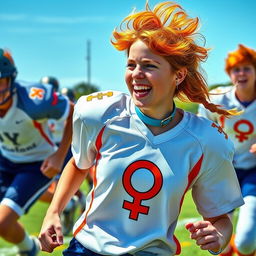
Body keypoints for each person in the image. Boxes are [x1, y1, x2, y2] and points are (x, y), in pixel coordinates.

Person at [38, 2, 244, 256]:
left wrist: (218, 236)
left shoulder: (206, 141)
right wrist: (53, 212)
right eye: (131, 64)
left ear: (177, 76)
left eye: (149, 66)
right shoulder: (100, 114)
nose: (136, 74)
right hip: (89, 248)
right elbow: (79, 164)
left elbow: (220, 219)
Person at [0, 48, 73, 256]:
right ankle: (29, 248)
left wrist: (59, 155)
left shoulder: (33, 99)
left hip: (36, 164)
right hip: (5, 159)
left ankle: (30, 248)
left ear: (11, 80)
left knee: (3, 222)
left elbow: (73, 111)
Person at [198, 44, 256, 256]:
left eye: (247, 68)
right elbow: (202, 131)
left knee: (247, 241)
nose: (241, 73)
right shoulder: (217, 99)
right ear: (229, 74)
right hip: (223, 172)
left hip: (253, 173)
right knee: (217, 245)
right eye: (236, 69)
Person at [39, 77, 87, 236]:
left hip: (64, 150)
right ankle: (73, 205)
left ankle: (71, 206)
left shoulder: (60, 107)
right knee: (56, 187)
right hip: (54, 150)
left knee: (59, 187)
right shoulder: (45, 107)